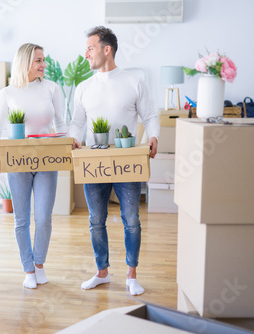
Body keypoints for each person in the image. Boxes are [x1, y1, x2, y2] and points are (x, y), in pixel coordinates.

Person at [68, 26, 159, 295]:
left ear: (106, 50)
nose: (85, 54)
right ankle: (102, 272)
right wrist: (74, 138)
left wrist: (153, 137)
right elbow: (76, 122)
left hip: (126, 161)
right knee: (96, 220)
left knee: (131, 218)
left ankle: (131, 275)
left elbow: (150, 115)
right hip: (93, 164)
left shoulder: (133, 81)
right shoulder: (84, 88)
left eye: (90, 48)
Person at [0, 43, 66, 289]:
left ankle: (40, 264)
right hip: (18, 162)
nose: (44, 65)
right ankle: (28, 269)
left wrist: (68, 143)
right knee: (21, 219)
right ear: (25, 63)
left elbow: (63, 124)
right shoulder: (7, 93)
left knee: (43, 217)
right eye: (39, 61)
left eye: (43, 60)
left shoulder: (52, 89)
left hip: (46, 161)